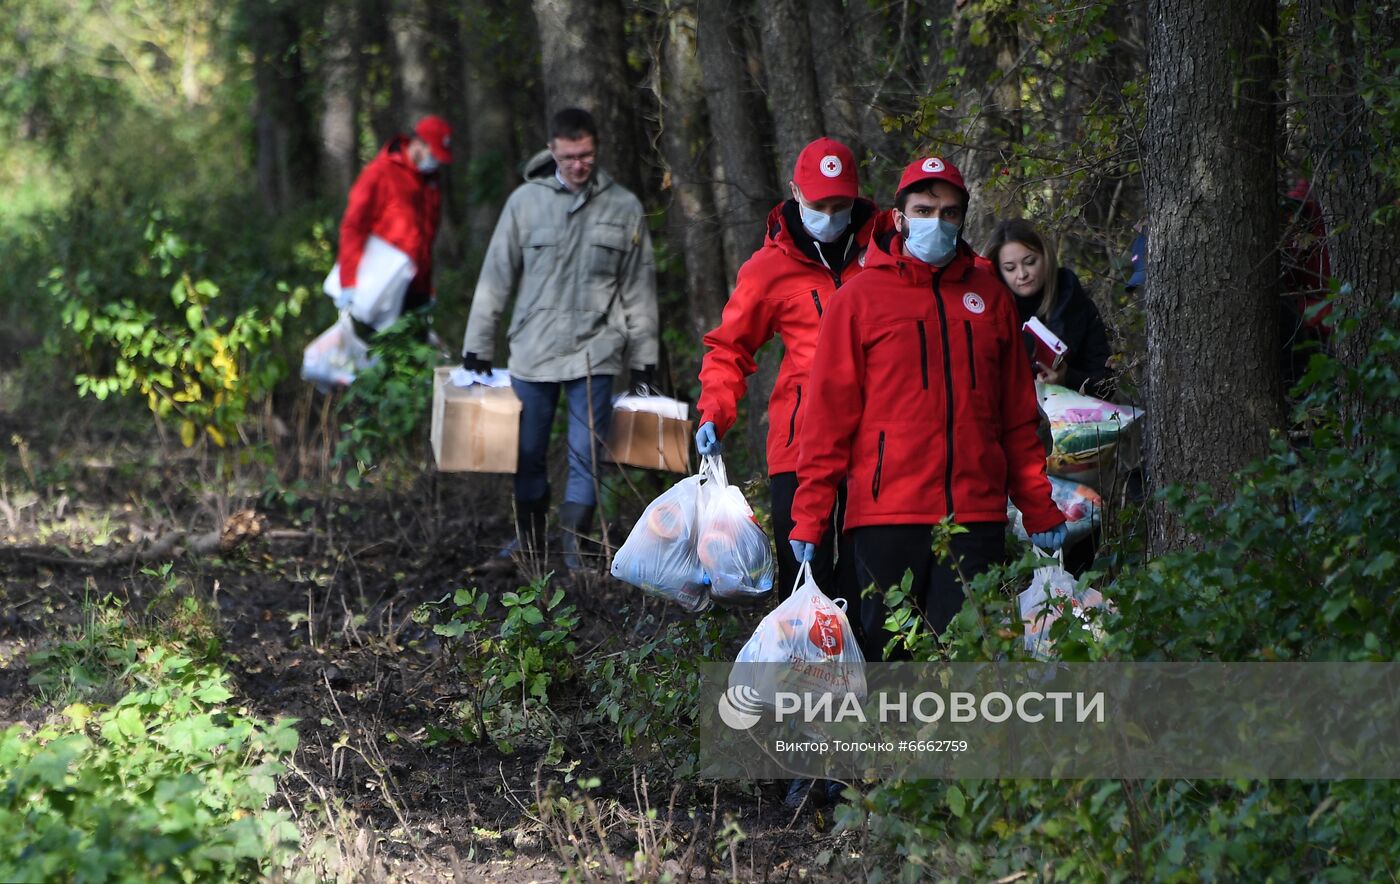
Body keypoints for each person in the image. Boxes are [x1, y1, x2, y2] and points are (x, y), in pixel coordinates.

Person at [787, 156, 1067, 662]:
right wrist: (809, 517)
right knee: (888, 663)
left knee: (970, 664)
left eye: (949, 212)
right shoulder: (858, 300)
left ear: (963, 219)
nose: (936, 222)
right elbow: (827, 422)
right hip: (883, 517)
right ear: (898, 217)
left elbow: (1017, 419)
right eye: (923, 209)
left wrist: (1038, 506)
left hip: (975, 516)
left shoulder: (991, 298)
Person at [462, 108, 658, 571]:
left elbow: (639, 288)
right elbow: (496, 275)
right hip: (532, 353)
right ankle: (528, 546)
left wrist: (645, 357)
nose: (578, 164)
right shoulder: (524, 203)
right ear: (552, 150)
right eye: (568, 156)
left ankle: (574, 550)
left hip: (597, 354)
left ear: (597, 149)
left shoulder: (623, 206)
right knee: (526, 454)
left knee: (586, 456)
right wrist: (477, 346)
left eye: (586, 154)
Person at [695, 137, 877, 602]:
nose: (832, 215)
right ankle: (802, 671)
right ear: (796, 193)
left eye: (841, 204)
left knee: (869, 583)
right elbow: (728, 347)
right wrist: (714, 410)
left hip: (877, 442)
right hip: (799, 444)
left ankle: (871, 674)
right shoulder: (769, 269)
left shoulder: (883, 252)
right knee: (804, 585)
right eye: (820, 203)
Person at [335, 114, 454, 330]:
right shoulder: (379, 173)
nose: (435, 161)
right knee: (377, 356)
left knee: (414, 355)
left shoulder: (431, 183)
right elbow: (353, 227)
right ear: (417, 144)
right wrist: (348, 281)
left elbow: (426, 240)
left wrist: (426, 290)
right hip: (378, 289)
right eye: (433, 154)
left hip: (414, 289)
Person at [985, 219, 1115, 399]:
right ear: (999, 271)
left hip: (1073, 421)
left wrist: (1066, 378)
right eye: (1010, 268)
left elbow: (1106, 385)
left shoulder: (1075, 303)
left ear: (1046, 257)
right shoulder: (990, 313)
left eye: (1030, 262)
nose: (1022, 274)